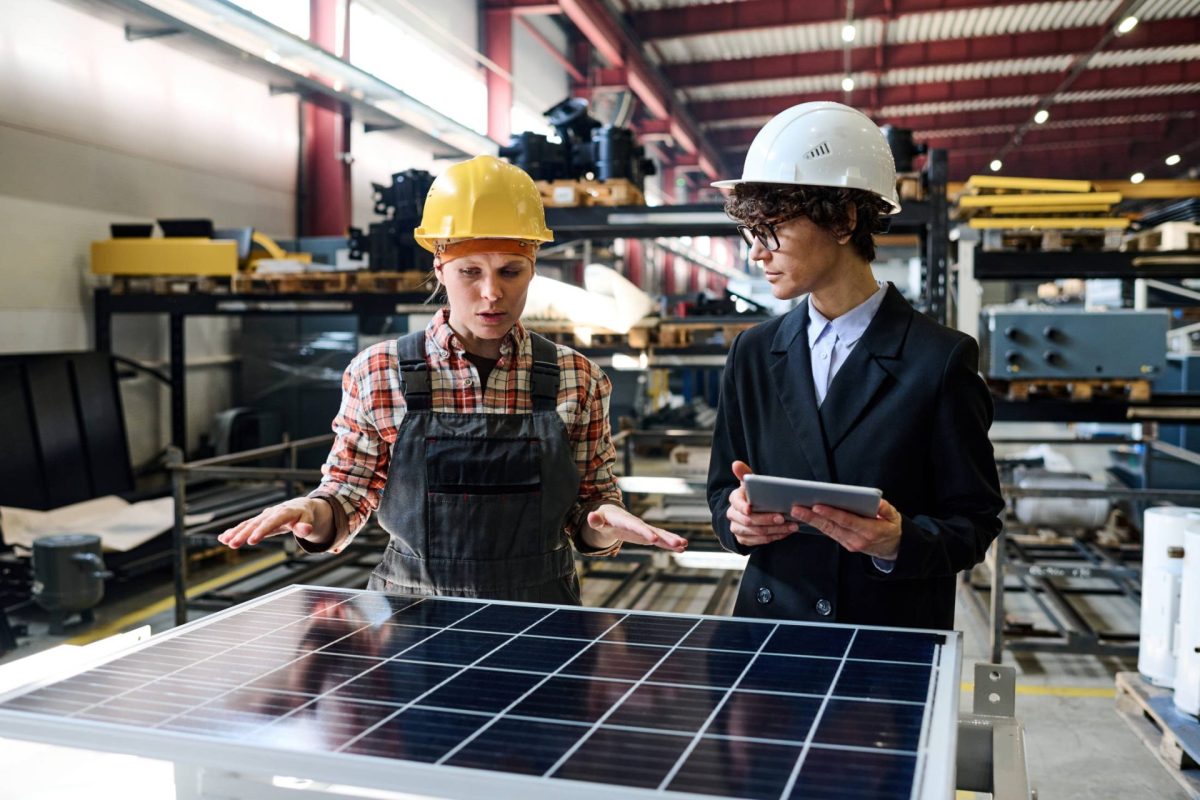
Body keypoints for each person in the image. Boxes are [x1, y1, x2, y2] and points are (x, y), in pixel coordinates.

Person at [219, 155, 686, 604]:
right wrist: (313, 515)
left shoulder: (577, 379)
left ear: (533, 269)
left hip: (541, 616)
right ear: (439, 268)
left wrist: (603, 523)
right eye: (470, 271)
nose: (491, 292)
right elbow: (348, 492)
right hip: (411, 618)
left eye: (510, 271)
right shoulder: (379, 373)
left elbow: (591, 507)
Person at [706, 102, 1003, 629]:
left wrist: (898, 541)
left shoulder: (939, 360)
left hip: (884, 637)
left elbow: (974, 522)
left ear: (842, 219)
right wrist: (737, 521)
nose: (757, 253)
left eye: (772, 229)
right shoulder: (753, 351)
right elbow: (722, 489)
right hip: (771, 630)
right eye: (751, 232)